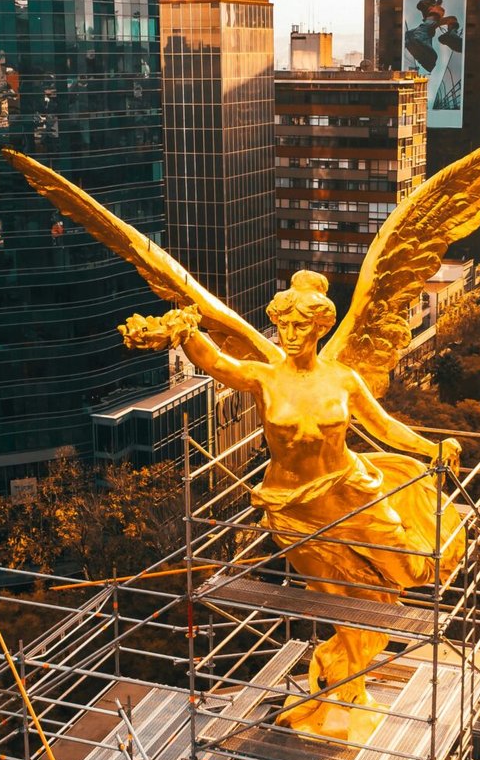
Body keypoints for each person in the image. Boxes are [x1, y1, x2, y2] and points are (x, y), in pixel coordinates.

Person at [170, 272, 464, 732]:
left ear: (318, 328)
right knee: (337, 601)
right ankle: (342, 685)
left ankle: (342, 679)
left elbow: (383, 427)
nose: (289, 334)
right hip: (292, 506)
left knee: (409, 569)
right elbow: (218, 363)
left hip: (351, 489)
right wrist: (185, 331)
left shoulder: (342, 378)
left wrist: (431, 449)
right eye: (283, 324)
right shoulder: (264, 376)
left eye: (299, 325)